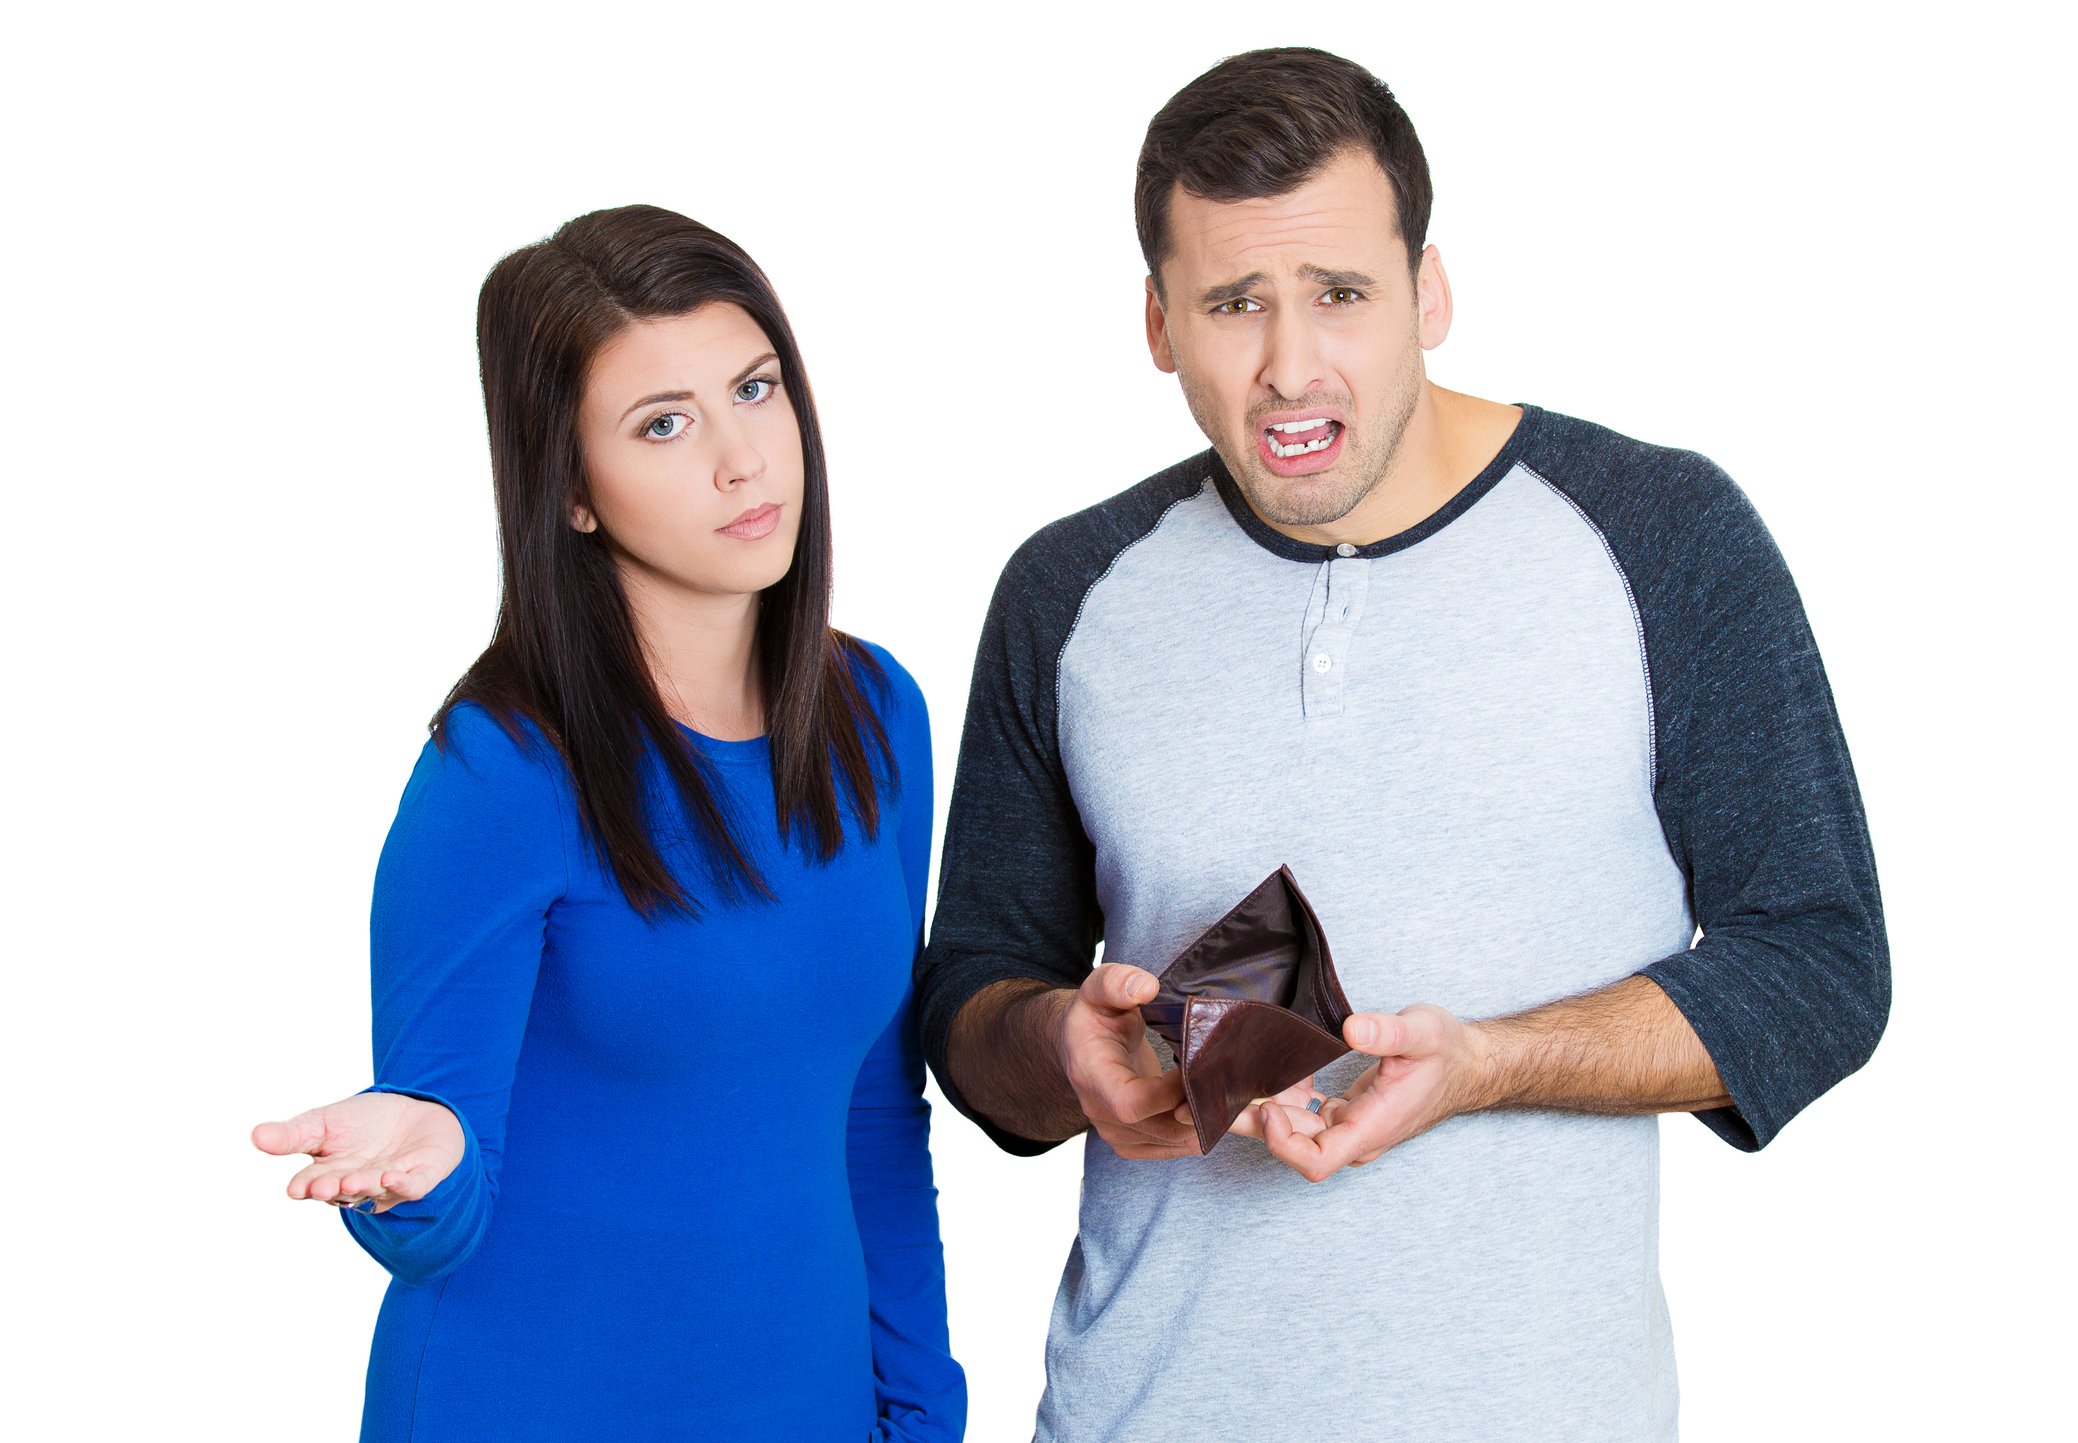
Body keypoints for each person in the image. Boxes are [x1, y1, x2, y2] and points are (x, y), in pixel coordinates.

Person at [916, 47, 1886, 1442]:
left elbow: (1817, 960)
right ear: (1155, 322)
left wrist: (1492, 1057)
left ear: (1428, 293)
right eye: (1233, 303)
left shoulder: (1661, 534)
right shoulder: (1070, 589)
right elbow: (970, 999)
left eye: (1341, 295)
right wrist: (1061, 1045)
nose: (1288, 365)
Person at [251, 205, 965, 1442]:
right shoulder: (501, 772)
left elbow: (871, 1115)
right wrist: (415, 1168)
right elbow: (441, 1185)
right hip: (526, 1403)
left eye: (755, 389)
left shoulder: (875, 716)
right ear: (572, 491)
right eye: (664, 424)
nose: (742, 460)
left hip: (804, 1406)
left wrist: (919, 1406)